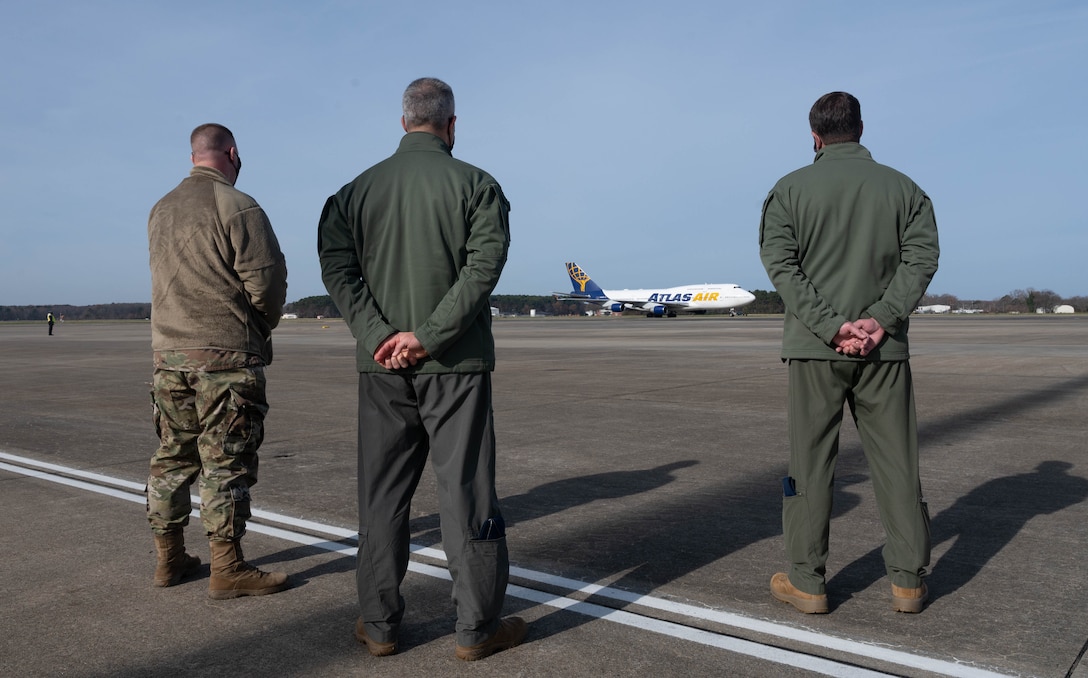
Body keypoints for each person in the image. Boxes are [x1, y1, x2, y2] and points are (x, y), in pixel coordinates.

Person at [318, 77, 525, 660]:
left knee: (382, 497)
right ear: (451, 124)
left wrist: (381, 335)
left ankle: (380, 626)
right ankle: (476, 630)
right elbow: (482, 271)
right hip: (455, 365)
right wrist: (429, 338)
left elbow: (338, 269)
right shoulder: (478, 187)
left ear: (403, 121)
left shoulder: (355, 192)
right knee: (465, 493)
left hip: (381, 367)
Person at [758, 92, 940, 614]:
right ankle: (907, 581)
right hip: (886, 353)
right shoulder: (904, 190)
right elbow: (922, 258)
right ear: (860, 129)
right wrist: (880, 319)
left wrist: (831, 327)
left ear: (813, 135)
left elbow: (782, 268)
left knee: (810, 465)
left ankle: (807, 582)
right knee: (898, 464)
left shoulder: (789, 190)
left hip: (815, 351)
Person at [146, 123, 289, 599]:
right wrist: (260, 325)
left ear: (193, 156)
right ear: (232, 153)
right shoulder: (238, 205)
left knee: (171, 457)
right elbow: (267, 284)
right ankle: (227, 568)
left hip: (170, 357)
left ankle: (169, 560)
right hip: (225, 356)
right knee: (225, 461)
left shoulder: (161, 209)